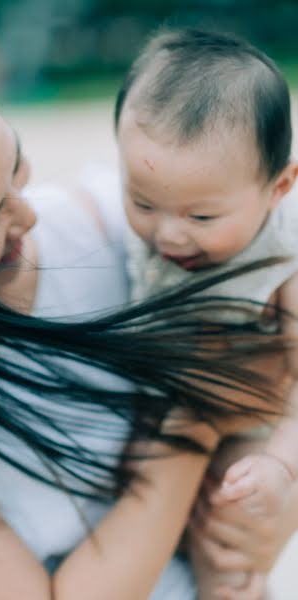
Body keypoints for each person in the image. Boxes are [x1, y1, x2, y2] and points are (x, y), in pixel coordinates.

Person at [0, 36, 288, 600]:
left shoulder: (132, 227)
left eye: (16, 165)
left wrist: (267, 506)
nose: (28, 215)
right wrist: (193, 423)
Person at [113, 27, 298, 598]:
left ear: (279, 187)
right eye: (143, 202)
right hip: (168, 416)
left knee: (227, 547)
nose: (167, 233)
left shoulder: (282, 269)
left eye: (201, 218)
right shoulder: (172, 219)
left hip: (250, 439)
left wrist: (280, 467)